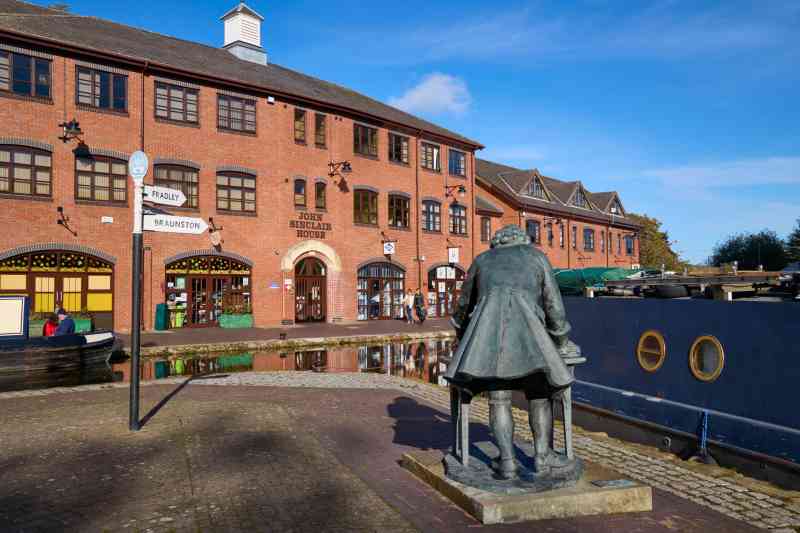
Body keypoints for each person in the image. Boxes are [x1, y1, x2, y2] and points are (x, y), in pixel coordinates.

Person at [445, 224, 578, 479]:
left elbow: (463, 305)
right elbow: (554, 306)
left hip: (490, 338)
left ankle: (507, 462)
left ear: (497, 243)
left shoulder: (482, 260)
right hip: (532, 338)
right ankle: (542, 457)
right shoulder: (537, 257)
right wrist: (560, 341)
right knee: (539, 395)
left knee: (499, 398)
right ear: (523, 241)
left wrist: (462, 337)